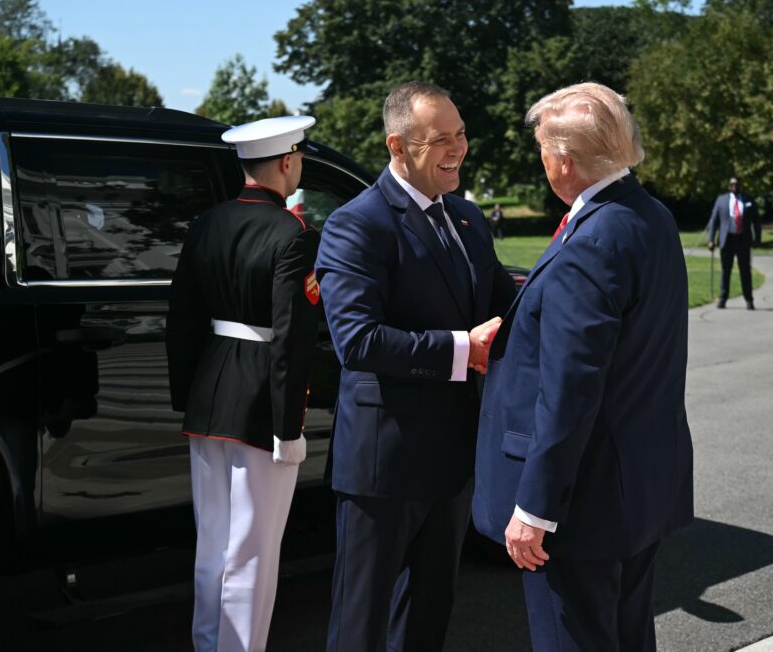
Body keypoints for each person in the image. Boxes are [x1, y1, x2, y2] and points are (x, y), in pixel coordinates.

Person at [473, 82, 694, 651]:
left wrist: (535, 508)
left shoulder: (592, 240)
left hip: (582, 503)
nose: (542, 161)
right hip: (637, 484)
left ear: (565, 161)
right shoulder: (649, 216)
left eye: (543, 150)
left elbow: (570, 389)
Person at [316, 81, 517, 652]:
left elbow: (508, 305)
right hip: (385, 464)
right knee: (361, 624)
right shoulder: (357, 223)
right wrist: (463, 351)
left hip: (453, 462)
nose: (457, 149)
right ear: (397, 146)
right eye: (440, 139)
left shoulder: (468, 218)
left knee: (429, 617)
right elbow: (357, 340)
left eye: (461, 135)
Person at [167, 116, 321, 652]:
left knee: (213, 544)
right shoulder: (292, 234)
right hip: (260, 403)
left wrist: (189, 396)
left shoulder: (206, 223)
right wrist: (289, 428)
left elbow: (182, 319)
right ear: (287, 162)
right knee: (253, 551)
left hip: (209, 396)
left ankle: (208, 643)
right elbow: (292, 339)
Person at [707, 176, 761, 309]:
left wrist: (757, 239)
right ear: (728, 186)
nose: (734, 187)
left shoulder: (749, 200)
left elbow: (756, 221)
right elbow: (714, 221)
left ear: (741, 186)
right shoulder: (721, 200)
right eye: (732, 184)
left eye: (737, 184)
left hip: (743, 239)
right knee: (725, 270)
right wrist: (711, 240)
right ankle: (723, 298)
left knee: (745, 271)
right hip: (727, 240)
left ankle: (749, 299)